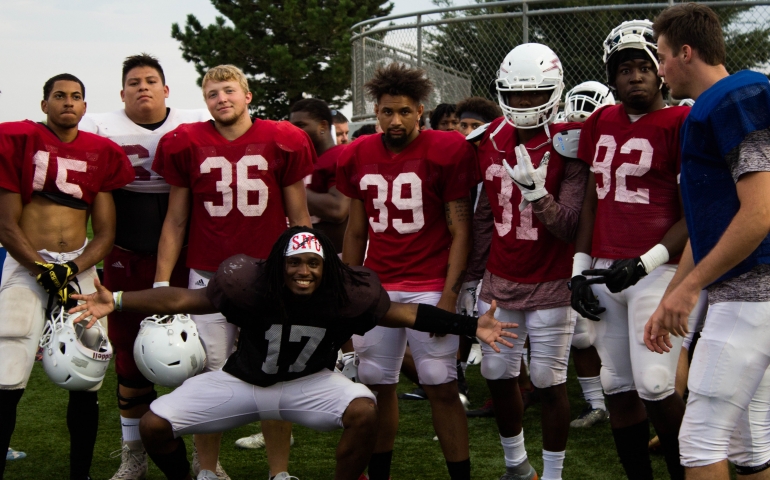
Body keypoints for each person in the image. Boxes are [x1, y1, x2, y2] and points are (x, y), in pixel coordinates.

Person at [69, 227, 516, 480]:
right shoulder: (248, 285)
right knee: (154, 424)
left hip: (310, 385)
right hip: (241, 383)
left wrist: (470, 325)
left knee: (365, 409)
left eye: (314, 263)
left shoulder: (348, 295)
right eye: (294, 263)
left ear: (328, 267)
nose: (303, 271)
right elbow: (185, 299)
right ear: (278, 265)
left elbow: (407, 314)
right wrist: (120, 300)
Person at [152, 65, 313, 480]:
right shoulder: (185, 141)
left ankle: (279, 472)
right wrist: (161, 282)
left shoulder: (284, 138)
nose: (220, 98)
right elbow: (175, 220)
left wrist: (309, 268)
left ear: (247, 96)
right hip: (209, 275)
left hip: (269, 274)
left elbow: (299, 216)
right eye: (211, 93)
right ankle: (207, 469)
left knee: (273, 372)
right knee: (210, 375)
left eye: (228, 90)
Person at [570, 19, 702, 480]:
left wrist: (645, 261)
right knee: (617, 385)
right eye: (624, 68)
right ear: (611, 77)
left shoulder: (683, 123)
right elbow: (591, 200)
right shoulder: (600, 121)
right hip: (605, 269)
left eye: (643, 66)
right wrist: (578, 269)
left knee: (655, 383)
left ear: (660, 70)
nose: (634, 76)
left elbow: (695, 215)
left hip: (659, 271)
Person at [337, 63, 478, 480]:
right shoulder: (358, 153)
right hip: (378, 284)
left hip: (431, 284)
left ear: (420, 110)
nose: (394, 120)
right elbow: (356, 228)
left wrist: (449, 297)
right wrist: (350, 284)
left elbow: (460, 229)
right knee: (377, 383)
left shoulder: (446, 149)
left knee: (440, 382)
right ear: (375, 113)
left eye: (403, 111)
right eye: (386, 112)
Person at [646, 4, 770, 479]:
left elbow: (759, 213)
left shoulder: (738, 97)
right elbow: (713, 226)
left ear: (686, 51)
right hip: (744, 295)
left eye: (661, 56)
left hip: (751, 295)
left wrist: (690, 287)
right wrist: (673, 293)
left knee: (699, 440)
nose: (659, 69)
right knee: (748, 442)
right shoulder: (714, 106)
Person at [79, 53, 211, 480]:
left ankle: (204, 458)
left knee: (199, 357)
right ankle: (133, 454)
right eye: (134, 82)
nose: (143, 87)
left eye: (151, 80)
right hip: (125, 252)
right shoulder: (98, 125)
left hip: (186, 254)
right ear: (122, 93)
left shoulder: (194, 120)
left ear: (167, 89)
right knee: (129, 359)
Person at [0, 73, 133, 479]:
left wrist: (71, 269)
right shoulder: (18, 139)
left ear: (85, 106)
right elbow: (6, 224)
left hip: (77, 266)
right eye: (59, 96)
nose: (68, 103)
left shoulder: (102, 152)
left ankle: (81, 474)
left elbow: (107, 233)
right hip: (27, 264)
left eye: (76, 97)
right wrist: (41, 268)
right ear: (44, 104)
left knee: (86, 371)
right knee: (7, 371)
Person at [464, 43, 586, 480]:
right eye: (514, 94)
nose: (522, 103)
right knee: (496, 374)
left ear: (553, 92)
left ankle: (552, 475)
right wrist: (470, 279)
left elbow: (570, 225)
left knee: (549, 381)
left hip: (552, 278)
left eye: (534, 94)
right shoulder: (485, 140)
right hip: (500, 277)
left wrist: (538, 196)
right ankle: (517, 465)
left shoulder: (569, 140)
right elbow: (481, 217)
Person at [289, 98, 350, 252]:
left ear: (323, 126)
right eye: (292, 126)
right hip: (307, 254)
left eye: (301, 125)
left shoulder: (339, 156)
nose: (295, 131)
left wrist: (289, 188)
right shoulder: (302, 160)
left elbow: (337, 209)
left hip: (336, 256)